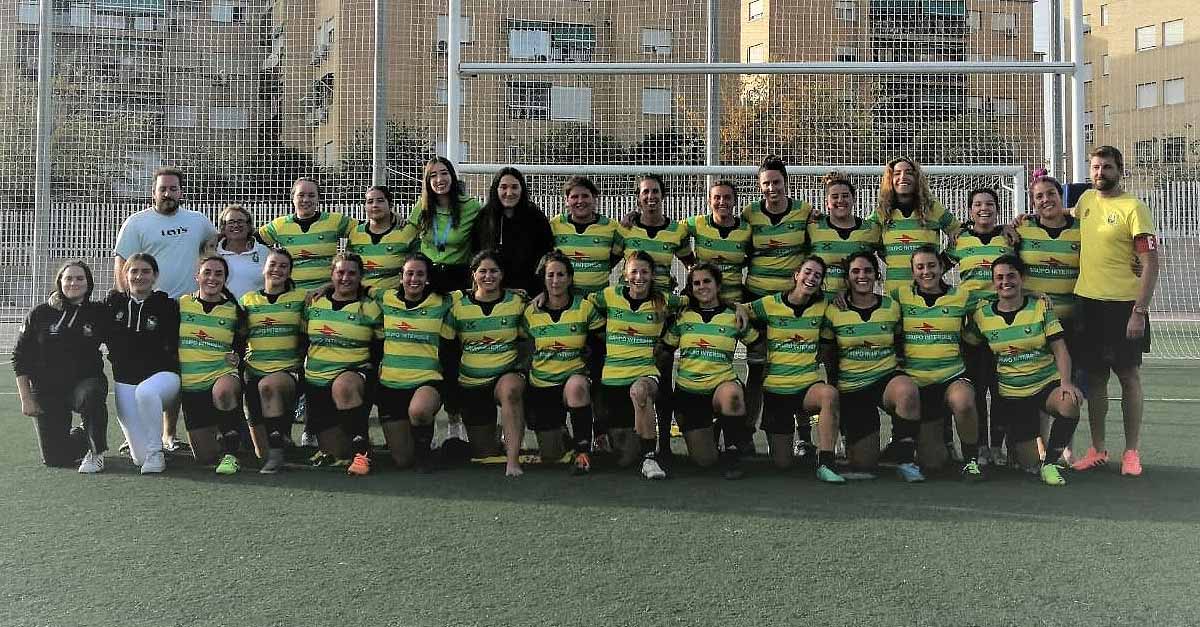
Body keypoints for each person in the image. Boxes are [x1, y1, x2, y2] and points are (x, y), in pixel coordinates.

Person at [113, 166, 217, 452]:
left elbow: (212, 244)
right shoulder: (137, 223)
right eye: (163, 189)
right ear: (153, 192)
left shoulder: (198, 221)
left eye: (173, 188)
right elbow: (123, 264)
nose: (168, 193)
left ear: (181, 192)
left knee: (174, 369)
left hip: (185, 310)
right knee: (140, 370)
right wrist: (128, 302)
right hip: (146, 310)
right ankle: (137, 432)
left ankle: (169, 435)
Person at [1070, 146, 1160, 477]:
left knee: (1128, 376)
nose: (1099, 173)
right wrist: (1027, 217)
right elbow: (1067, 215)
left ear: (1119, 170)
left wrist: (1140, 310)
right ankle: (1097, 449)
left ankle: (1131, 452)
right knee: (1094, 379)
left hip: (1125, 307)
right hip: (1088, 304)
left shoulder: (1134, 208)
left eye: (1106, 167)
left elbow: (1151, 262)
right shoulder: (1086, 203)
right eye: (1095, 167)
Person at [970, 255, 1082, 485]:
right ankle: (1030, 456)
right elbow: (968, 341)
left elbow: (1060, 349)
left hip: (1044, 384)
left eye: (1011, 276)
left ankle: (1050, 462)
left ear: (1022, 278)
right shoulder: (982, 315)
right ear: (993, 283)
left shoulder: (1040, 307)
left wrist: (1066, 382)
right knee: (1028, 464)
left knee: (1069, 402)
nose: (1005, 282)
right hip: (1013, 395)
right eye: (999, 278)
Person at [735, 257, 844, 482]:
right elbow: (738, 312)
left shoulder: (824, 306)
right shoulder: (770, 304)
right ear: (796, 275)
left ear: (822, 282)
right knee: (782, 464)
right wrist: (754, 340)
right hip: (776, 391)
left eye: (817, 275)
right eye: (807, 272)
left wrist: (843, 296)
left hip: (807, 387)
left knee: (829, 395)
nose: (811, 278)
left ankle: (826, 462)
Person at [823, 252, 925, 481]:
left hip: (885, 379)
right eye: (856, 271)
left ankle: (905, 459)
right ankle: (857, 440)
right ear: (847, 278)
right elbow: (829, 355)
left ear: (877, 275)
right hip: (853, 387)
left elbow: (900, 341)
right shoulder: (834, 311)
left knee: (907, 389)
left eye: (868, 271)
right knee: (864, 464)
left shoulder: (892, 307)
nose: (862, 276)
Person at [615, 174, 695, 460]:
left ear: (664, 195)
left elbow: (692, 264)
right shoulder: (625, 230)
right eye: (645, 192)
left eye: (656, 191)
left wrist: (683, 292)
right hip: (632, 318)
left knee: (663, 377)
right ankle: (631, 438)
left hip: (662, 317)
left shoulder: (675, 231)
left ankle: (662, 445)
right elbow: (609, 262)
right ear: (638, 197)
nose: (651, 197)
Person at [590, 251, 685, 480]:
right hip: (612, 380)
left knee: (640, 391)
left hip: (644, 375)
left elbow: (698, 300)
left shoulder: (663, 300)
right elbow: (582, 304)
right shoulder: (609, 295)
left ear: (652, 275)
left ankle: (650, 459)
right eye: (634, 271)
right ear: (624, 274)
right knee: (623, 458)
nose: (639, 277)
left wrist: (737, 306)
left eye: (644, 272)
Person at [742, 156, 814, 458]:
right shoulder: (750, 215)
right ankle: (744, 433)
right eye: (766, 184)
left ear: (786, 182)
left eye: (776, 182)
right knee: (757, 371)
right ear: (760, 187)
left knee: (795, 367)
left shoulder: (804, 212)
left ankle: (804, 437)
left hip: (792, 307)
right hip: (759, 303)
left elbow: (814, 250)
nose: (772, 188)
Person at [893, 246, 984, 480]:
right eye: (920, 267)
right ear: (912, 272)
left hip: (951, 377)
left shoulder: (961, 296)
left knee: (963, 401)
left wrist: (1033, 293)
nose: (927, 272)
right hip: (917, 385)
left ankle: (971, 461)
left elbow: (995, 306)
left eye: (932, 265)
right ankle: (907, 447)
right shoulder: (900, 296)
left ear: (942, 267)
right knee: (933, 463)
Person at [662, 264, 759, 480]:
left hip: (721, 385)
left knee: (732, 395)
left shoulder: (733, 316)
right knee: (705, 461)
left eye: (707, 281)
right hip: (689, 393)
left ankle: (733, 451)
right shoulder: (683, 317)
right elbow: (665, 349)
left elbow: (757, 343)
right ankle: (713, 428)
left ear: (718, 285)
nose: (701, 286)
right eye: (696, 283)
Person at [548, 175, 621, 451]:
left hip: (597, 315)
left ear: (595, 198)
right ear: (567, 200)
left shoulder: (611, 228)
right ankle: (564, 428)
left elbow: (616, 257)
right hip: (564, 315)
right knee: (564, 370)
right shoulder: (556, 226)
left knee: (599, 373)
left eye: (585, 196)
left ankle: (600, 431)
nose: (580, 201)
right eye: (574, 197)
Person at [14, 261, 109, 472]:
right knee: (55, 458)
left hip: (84, 383)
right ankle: (84, 434)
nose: (74, 283)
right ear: (60, 282)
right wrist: (27, 399)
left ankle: (97, 451)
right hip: (48, 390)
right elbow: (20, 357)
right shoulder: (40, 313)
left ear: (88, 283)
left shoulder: (98, 312)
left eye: (79, 278)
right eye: (68, 278)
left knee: (91, 393)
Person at [445, 250, 529, 477]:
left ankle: (513, 460)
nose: (488, 276)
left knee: (511, 390)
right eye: (482, 271)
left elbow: (535, 330)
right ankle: (499, 434)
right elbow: (447, 345)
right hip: (471, 382)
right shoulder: (457, 304)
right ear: (473, 274)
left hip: (506, 374)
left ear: (502, 275)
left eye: (494, 271)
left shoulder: (517, 302)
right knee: (484, 453)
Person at [945, 188, 1014, 465]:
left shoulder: (1009, 238)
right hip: (971, 329)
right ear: (970, 210)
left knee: (1001, 389)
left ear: (997, 208)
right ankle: (981, 446)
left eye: (989, 204)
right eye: (977, 204)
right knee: (977, 388)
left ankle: (997, 445)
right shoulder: (960, 240)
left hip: (1004, 325)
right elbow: (936, 267)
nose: (983, 208)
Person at [521, 251, 605, 475]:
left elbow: (602, 340)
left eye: (560, 275)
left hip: (573, 379)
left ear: (569, 278)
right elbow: (522, 345)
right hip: (541, 385)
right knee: (551, 456)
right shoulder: (531, 311)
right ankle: (563, 436)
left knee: (577, 386)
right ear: (544, 278)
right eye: (550, 275)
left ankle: (583, 451)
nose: (555, 280)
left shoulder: (584, 308)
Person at [303, 253, 383, 475]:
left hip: (353, 375)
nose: (345, 278)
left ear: (361, 277)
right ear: (332, 275)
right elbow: (302, 340)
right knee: (337, 452)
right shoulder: (314, 302)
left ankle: (363, 454)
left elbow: (379, 347)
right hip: (317, 379)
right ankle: (356, 445)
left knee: (344, 386)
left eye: (352, 273)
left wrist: (372, 376)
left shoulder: (370, 308)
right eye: (340, 272)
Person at [375, 253, 455, 472]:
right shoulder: (385, 298)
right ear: (401, 277)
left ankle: (425, 456)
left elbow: (478, 292)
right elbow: (354, 288)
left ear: (428, 278)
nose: (414, 279)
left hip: (427, 380)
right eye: (409, 273)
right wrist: (325, 288)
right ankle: (438, 448)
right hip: (391, 384)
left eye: (420, 274)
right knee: (402, 461)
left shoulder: (444, 301)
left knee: (419, 411)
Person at [104, 253, 181, 474]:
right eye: (134, 271)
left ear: (155, 276)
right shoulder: (113, 303)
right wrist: (56, 298)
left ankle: (157, 453)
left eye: (146, 271)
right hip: (126, 380)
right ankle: (149, 453)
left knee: (146, 392)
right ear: (125, 275)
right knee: (139, 458)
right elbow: (85, 311)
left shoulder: (167, 305)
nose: (139, 276)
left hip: (164, 377)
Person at [178, 256, 247, 474]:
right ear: (197, 276)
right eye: (207, 272)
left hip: (221, 374)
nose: (212, 278)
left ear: (226, 279)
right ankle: (229, 432)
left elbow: (243, 343)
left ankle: (231, 454)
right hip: (191, 385)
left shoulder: (235, 311)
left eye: (219, 274)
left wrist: (238, 355)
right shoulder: (181, 305)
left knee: (224, 391)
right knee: (205, 457)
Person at [240, 248, 307, 474]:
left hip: (287, 371)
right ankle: (282, 439)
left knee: (269, 386)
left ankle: (278, 452)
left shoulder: (302, 299)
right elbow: (238, 335)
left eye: (283, 266)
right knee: (261, 452)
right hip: (254, 369)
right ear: (264, 268)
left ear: (290, 273)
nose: (276, 269)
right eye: (272, 264)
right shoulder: (248, 300)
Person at [873, 157, 961, 294]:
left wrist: (942, 264)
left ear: (917, 178)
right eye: (897, 173)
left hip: (929, 291)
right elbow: (863, 237)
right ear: (890, 179)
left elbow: (961, 234)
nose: (903, 177)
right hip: (895, 294)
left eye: (909, 172)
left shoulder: (933, 209)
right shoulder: (882, 213)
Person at [258, 177, 355, 291]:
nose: (306, 199)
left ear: (318, 198)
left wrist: (351, 251)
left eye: (311, 195)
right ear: (293, 198)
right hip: (291, 294)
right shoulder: (279, 225)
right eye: (301, 195)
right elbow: (250, 240)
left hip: (327, 293)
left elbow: (364, 231)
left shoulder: (336, 221)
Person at [409, 157, 485, 294]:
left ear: (452, 176)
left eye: (444, 173)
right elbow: (406, 234)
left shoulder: (471, 206)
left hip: (458, 277)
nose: (439, 179)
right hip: (427, 276)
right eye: (433, 175)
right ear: (427, 181)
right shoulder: (422, 206)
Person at [474, 167, 555, 295]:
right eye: (504, 187)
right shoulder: (484, 217)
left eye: (514, 187)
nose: (509, 192)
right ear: (496, 190)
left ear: (522, 189)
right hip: (493, 292)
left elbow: (546, 256)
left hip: (529, 292)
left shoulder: (536, 218)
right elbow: (476, 256)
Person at [806, 172, 882, 294]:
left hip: (857, 303)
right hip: (819, 302)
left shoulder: (872, 229)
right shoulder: (812, 227)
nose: (840, 200)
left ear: (854, 199)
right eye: (835, 197)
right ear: (827, 203)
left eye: (845, 196)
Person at [685, 180, 752, 305]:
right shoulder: (698, 223)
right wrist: (688, 261)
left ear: (734, 201)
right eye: (717, 197)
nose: (722, 202)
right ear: (709, 201)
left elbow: (755, 256)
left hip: (734, 302)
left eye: (727, 197)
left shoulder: (746, 230)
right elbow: (673, 232)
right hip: (702, 301)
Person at [348, 185, 418, 294]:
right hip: (361, 298)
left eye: (380, 201)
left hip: (395, 300)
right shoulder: (355, 233)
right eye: (370, 201)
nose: (375, 205)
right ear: (365, 207)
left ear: (390, 205)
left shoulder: (407, 231)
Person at [215, 204, 271, 300]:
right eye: (231, 222)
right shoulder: (214, 253)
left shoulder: (264, 252)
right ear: (223, 227)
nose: (236, 225)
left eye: (240, 221)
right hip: (223, 312)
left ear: (249, 226)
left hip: (256, 312)